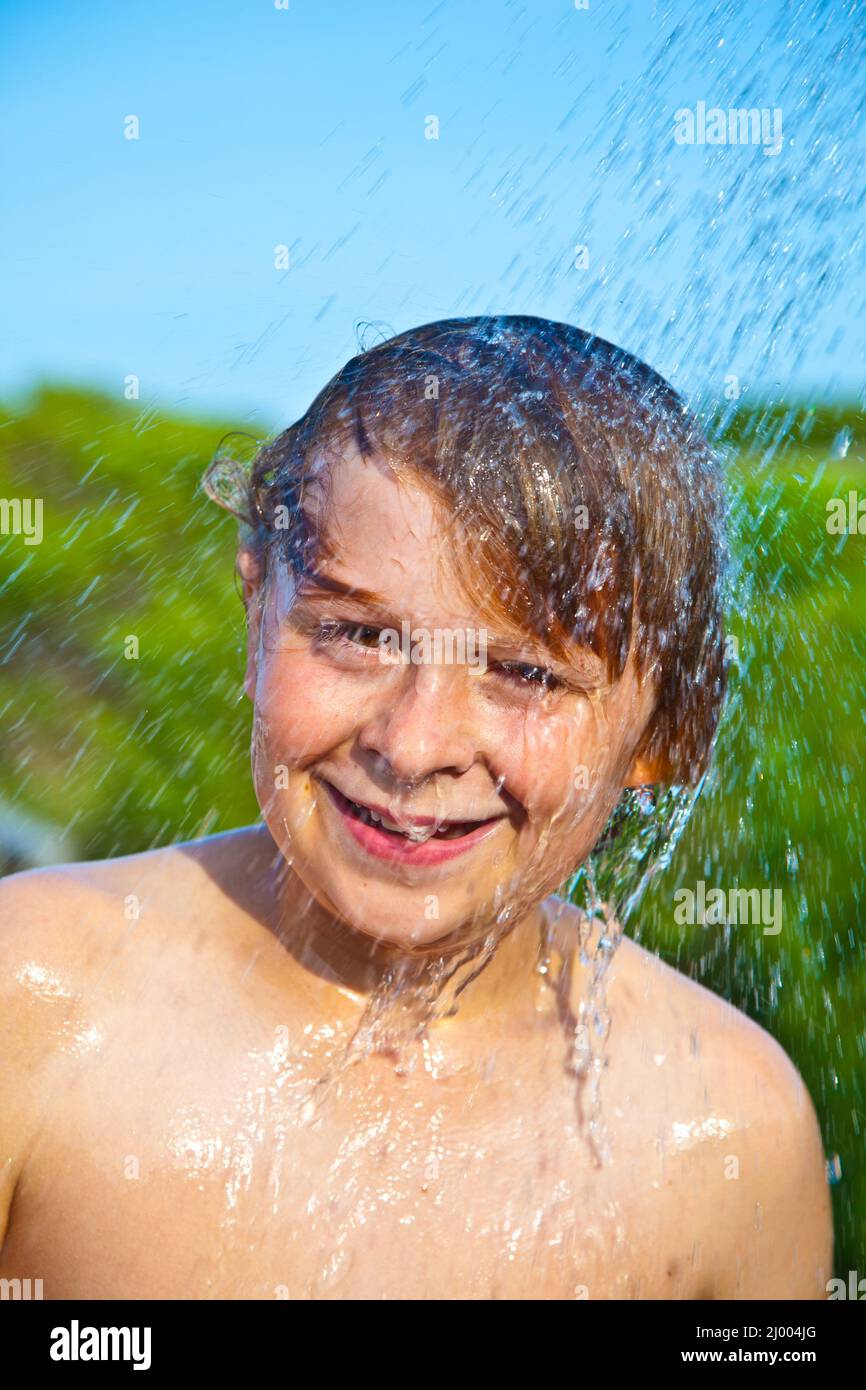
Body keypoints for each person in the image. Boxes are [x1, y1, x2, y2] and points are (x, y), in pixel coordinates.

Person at [0, 316, 832, 1299]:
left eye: (523, 671)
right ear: (257, 600)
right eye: (355, 633)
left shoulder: (724, 1132)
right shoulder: (38, 997)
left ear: (669, 727)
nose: (413, 743)